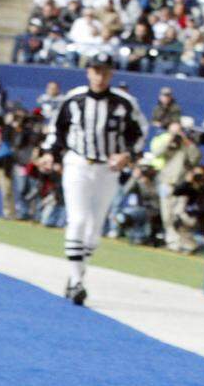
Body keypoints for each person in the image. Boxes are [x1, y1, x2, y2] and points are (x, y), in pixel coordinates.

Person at [42, 52, 147, 305]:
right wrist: (49, 154)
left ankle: (76, 273)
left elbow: (139, 133)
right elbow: (58, 130)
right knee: (77, 220)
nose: (100, 76)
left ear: (111, 74)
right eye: (96, 71)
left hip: (107, 169)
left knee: (94, 231)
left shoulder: (124, 103)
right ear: (88, 71)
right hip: (78, 163)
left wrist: (127, 155)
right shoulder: (74, 99)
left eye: (105, 72)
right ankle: (77, 282)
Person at [149, 120, 202, 252]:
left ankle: (187, 242)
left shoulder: (187, 146)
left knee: (180, 215)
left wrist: (186, 141)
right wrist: (171, 138)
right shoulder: (168, 144)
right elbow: (157, 153)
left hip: (181, 185)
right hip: (166, 182)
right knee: (167, 215)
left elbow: (195, 158)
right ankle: (173, 243)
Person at [171, 164, 204, 254]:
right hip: (192, 216)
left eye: (200, 175)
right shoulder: (190, 185)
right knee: (178, 221)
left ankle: (203, 242)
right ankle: (190, 245)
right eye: (196, 174)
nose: (198, 177)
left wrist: (202, 184)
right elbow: (176, 192)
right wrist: (187, 182)